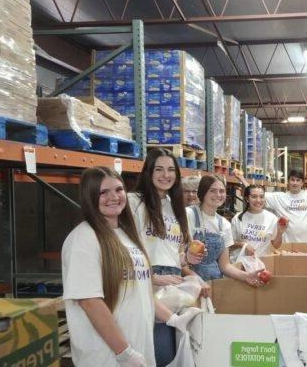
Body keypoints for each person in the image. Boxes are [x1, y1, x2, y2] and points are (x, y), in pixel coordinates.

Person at [62, 167, 200, 367]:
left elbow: (139, 292)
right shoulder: (84, 238)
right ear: (89, 196)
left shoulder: (127, 235)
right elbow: (90, 302)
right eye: (103, 192)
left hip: (139, 348)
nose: (114, 197)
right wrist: (123, 352)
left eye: (118, 190)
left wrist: (172, 319)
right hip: (107, 356)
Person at [127, 148, 198, 367]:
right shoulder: (133, 202)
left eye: (170, 170)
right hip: (147, 283)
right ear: (148, 172)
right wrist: (152, 278)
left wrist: (188, 259)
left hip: (174, 286)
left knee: (174, 353)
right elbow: (125, 248)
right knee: (158, 352)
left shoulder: (175, 208)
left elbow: (175, 252)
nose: (165, 175)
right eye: (159, 169)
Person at [186, 174, 264, 285]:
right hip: (190, 283)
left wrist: (246, 276)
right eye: (212, 191)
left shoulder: (224, 224)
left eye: (222, 191)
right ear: (203, 192)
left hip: (214, 283)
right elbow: (179, 257)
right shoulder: (189, 215)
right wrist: (196, 281)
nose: (218, 195)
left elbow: (225, 266)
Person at [230, 184, 284, 259]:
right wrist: (243, 245)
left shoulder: (272, 218)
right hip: (239, 264)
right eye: (254, 197)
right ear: (247, 199)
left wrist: (280, 232)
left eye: (261, 197)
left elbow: (276, 245)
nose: (258, 200)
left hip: (261, 265)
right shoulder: (238, 218)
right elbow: (229, 244)